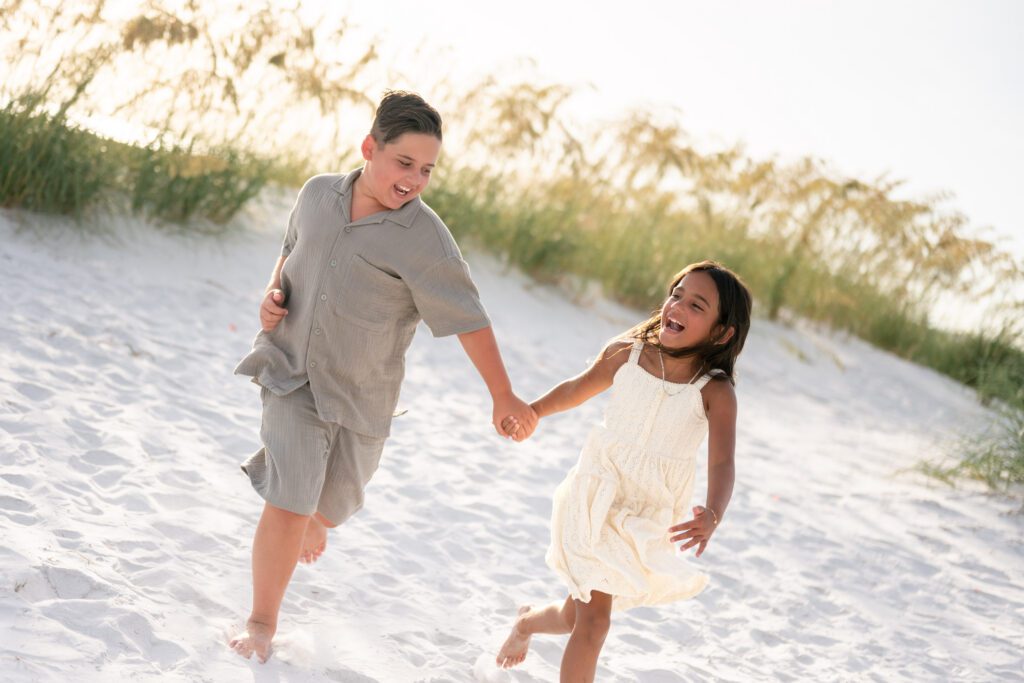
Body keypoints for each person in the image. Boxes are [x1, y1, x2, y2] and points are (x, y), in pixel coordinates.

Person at [228, 90, 538, 663]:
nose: (415, 179)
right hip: (292, 371)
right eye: (404, 163)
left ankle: (316, 521)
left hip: (362, 396)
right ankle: (262, 622)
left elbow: (469, 319)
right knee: (290, 498)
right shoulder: (318, 194)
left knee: (334, 502)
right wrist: (271, 300)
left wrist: (503, 394)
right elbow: (290, 253)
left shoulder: (426, 240)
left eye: (427, 170)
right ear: (370, 148)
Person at [496, 260, 752, 680]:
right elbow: (579, 387)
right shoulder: (629, 352)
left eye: (697, 305)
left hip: (647, 511)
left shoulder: (716, 391)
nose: (678, 307)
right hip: (597, 490)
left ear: (722, 333)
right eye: (677, 294)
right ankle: (528, 623)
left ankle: (526, 621)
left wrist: (713, 512)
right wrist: (534, 411)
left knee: (576, 616)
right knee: (595, 622)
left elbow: (723, 461)